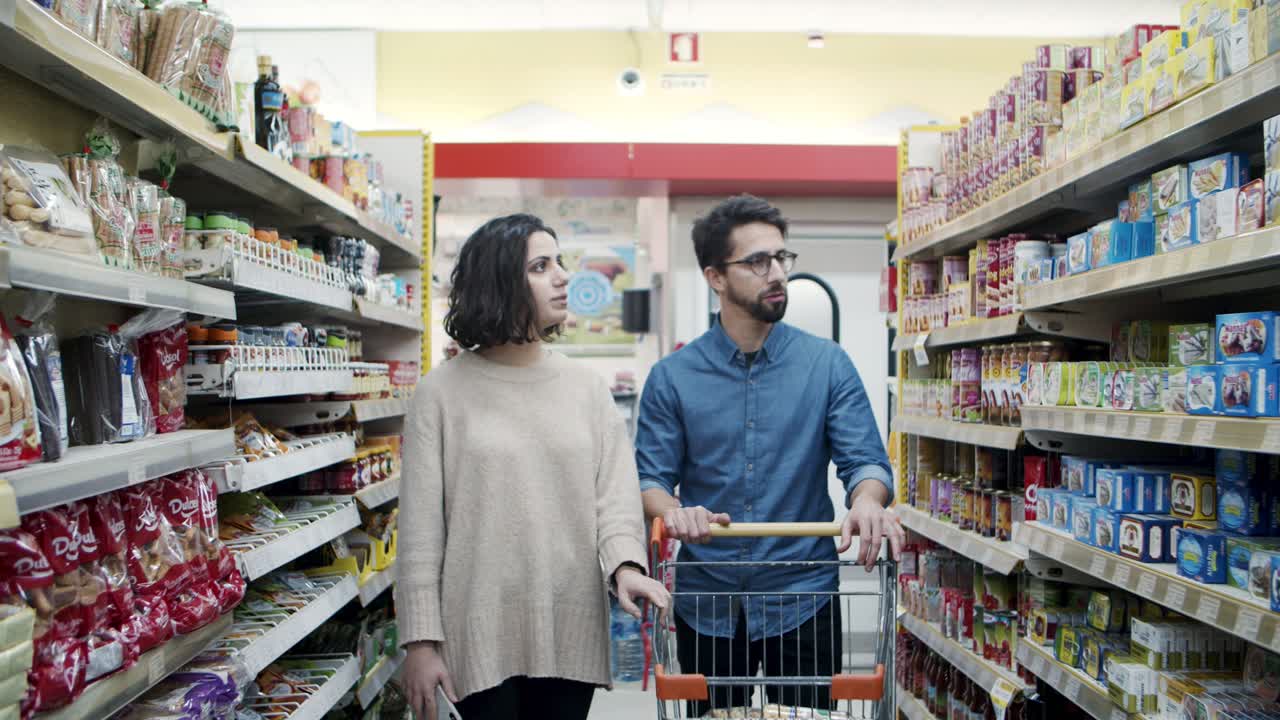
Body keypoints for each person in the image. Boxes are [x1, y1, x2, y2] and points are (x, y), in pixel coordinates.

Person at [635, 194, 904, 715]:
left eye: (782, 257)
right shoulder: (672, 378)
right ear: (716, 277)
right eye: (758, 261)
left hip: (803, 595)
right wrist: (675, 512)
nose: (777, 273)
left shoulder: (827, 365)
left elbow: (865, 461)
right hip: (708, 600)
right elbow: (651, 479)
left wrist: (867, 500)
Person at [396, 213, 670, 720]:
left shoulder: (587, 390)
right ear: (499, 280)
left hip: (570, 630)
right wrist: (420, 643)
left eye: (559, 263)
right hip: (473, 635)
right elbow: (420, 533)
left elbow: (614, 502)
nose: (563, 277)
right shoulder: (441, 393)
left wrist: (627, 567)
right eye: (541, 266)